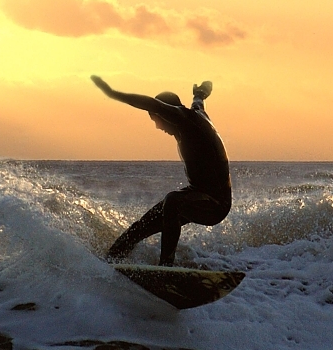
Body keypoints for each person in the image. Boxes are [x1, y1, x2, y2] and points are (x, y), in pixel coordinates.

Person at [90, 75, 231, 266]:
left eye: (157, 120)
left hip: (215, 203)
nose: (157, 126)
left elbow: (154, 104)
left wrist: (112, 93)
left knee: (172, 201)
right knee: (140, 228)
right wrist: (200, 92)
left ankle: (166, 268)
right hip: (195, 196)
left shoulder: (185, 120)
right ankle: (109, 263)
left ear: (167, 114)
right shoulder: (195, 114)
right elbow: (198, 101)